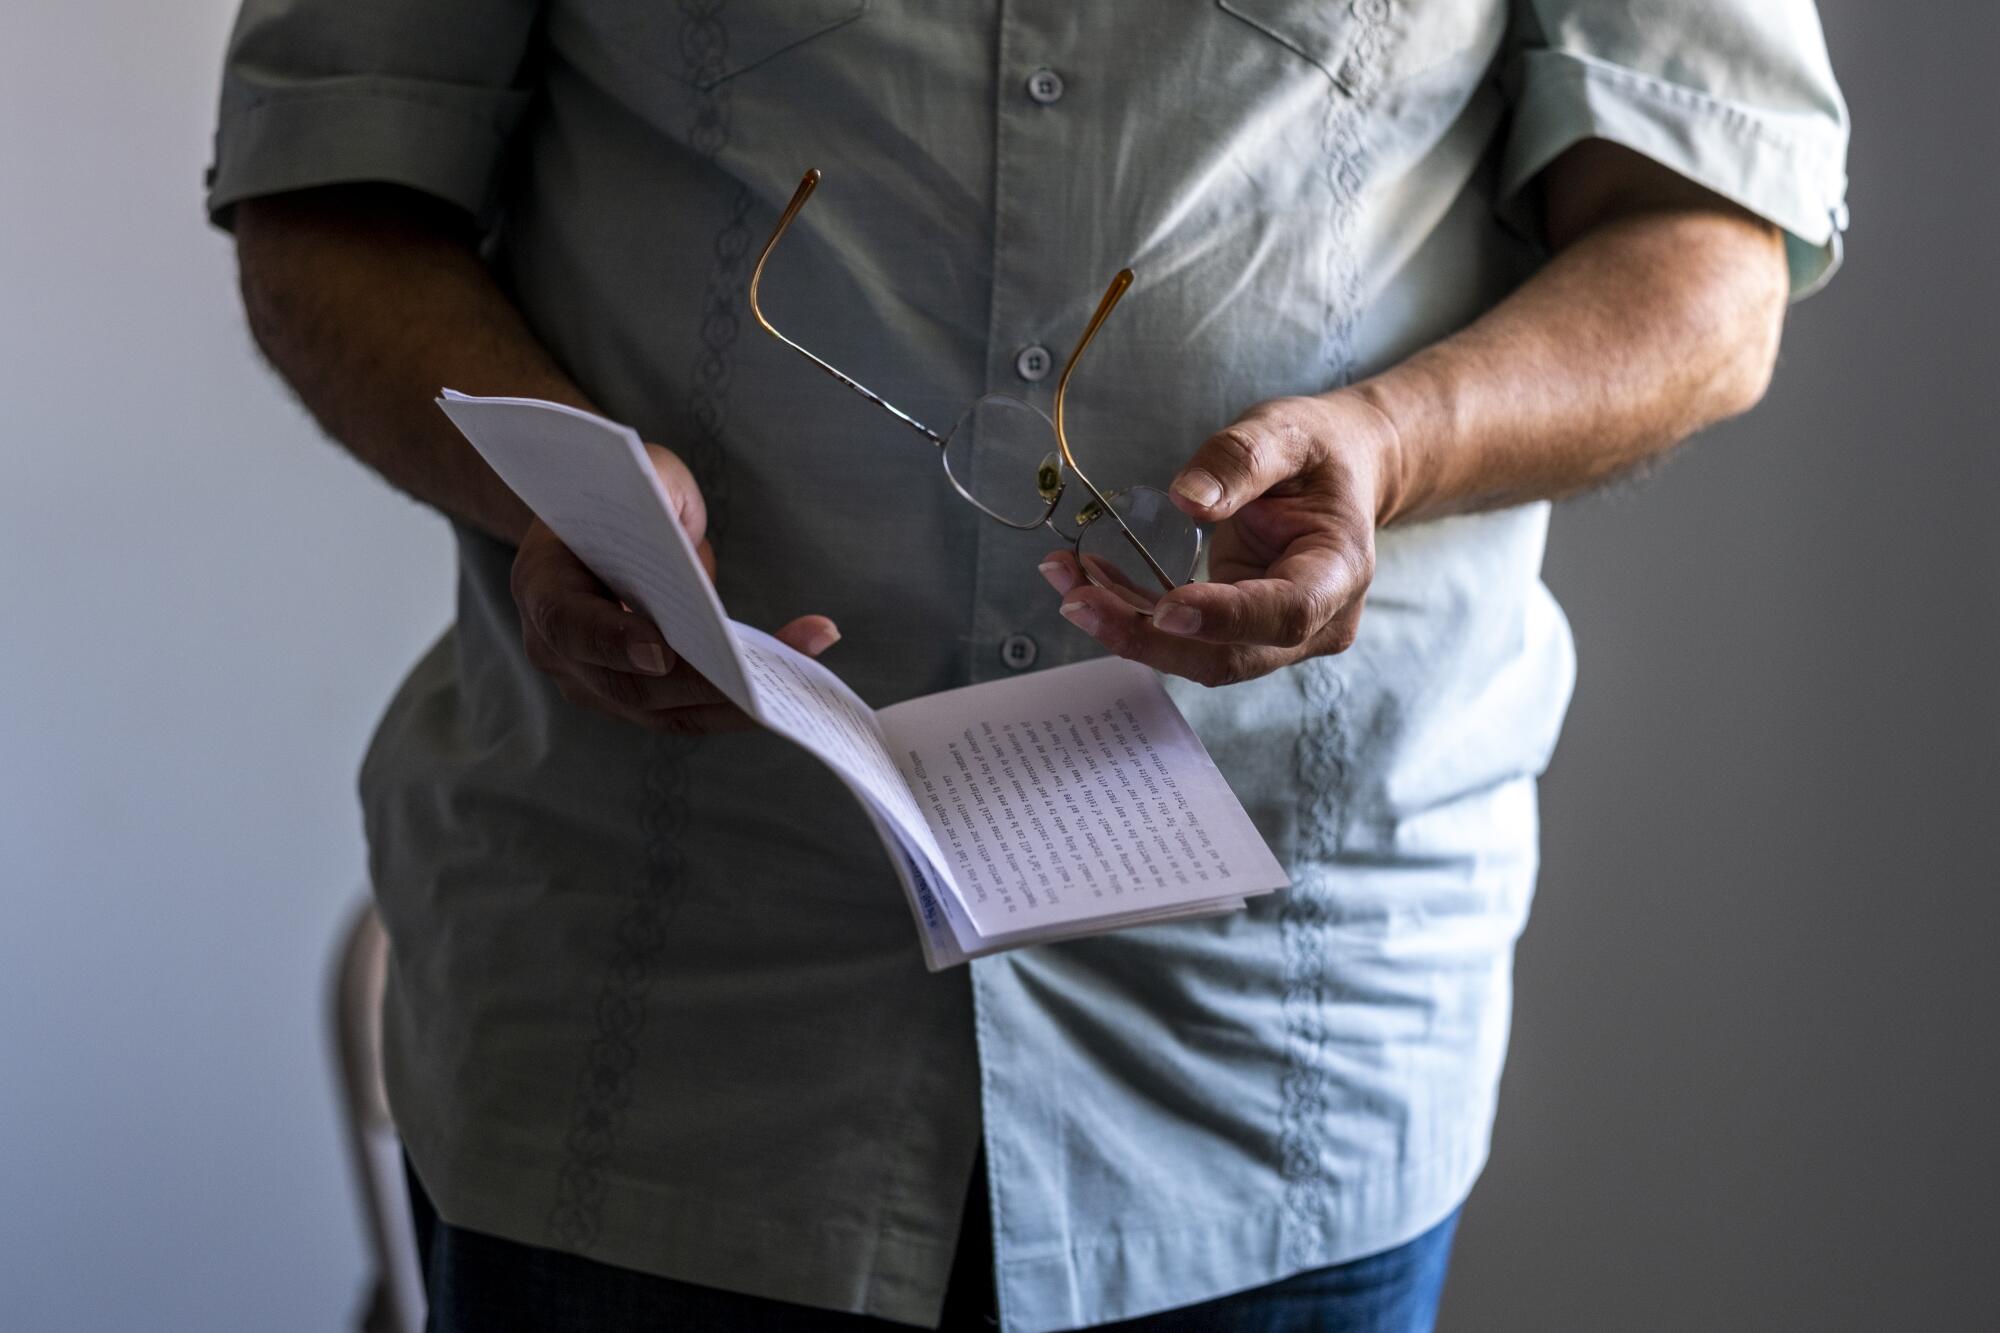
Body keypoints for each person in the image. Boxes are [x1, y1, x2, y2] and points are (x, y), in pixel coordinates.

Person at [210, 3, 1848, 1329]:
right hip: (662, 1024)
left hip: (1275, 1041)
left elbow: (1709, 260)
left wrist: (1397, 444)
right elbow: (327, 186)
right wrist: (550, 493)